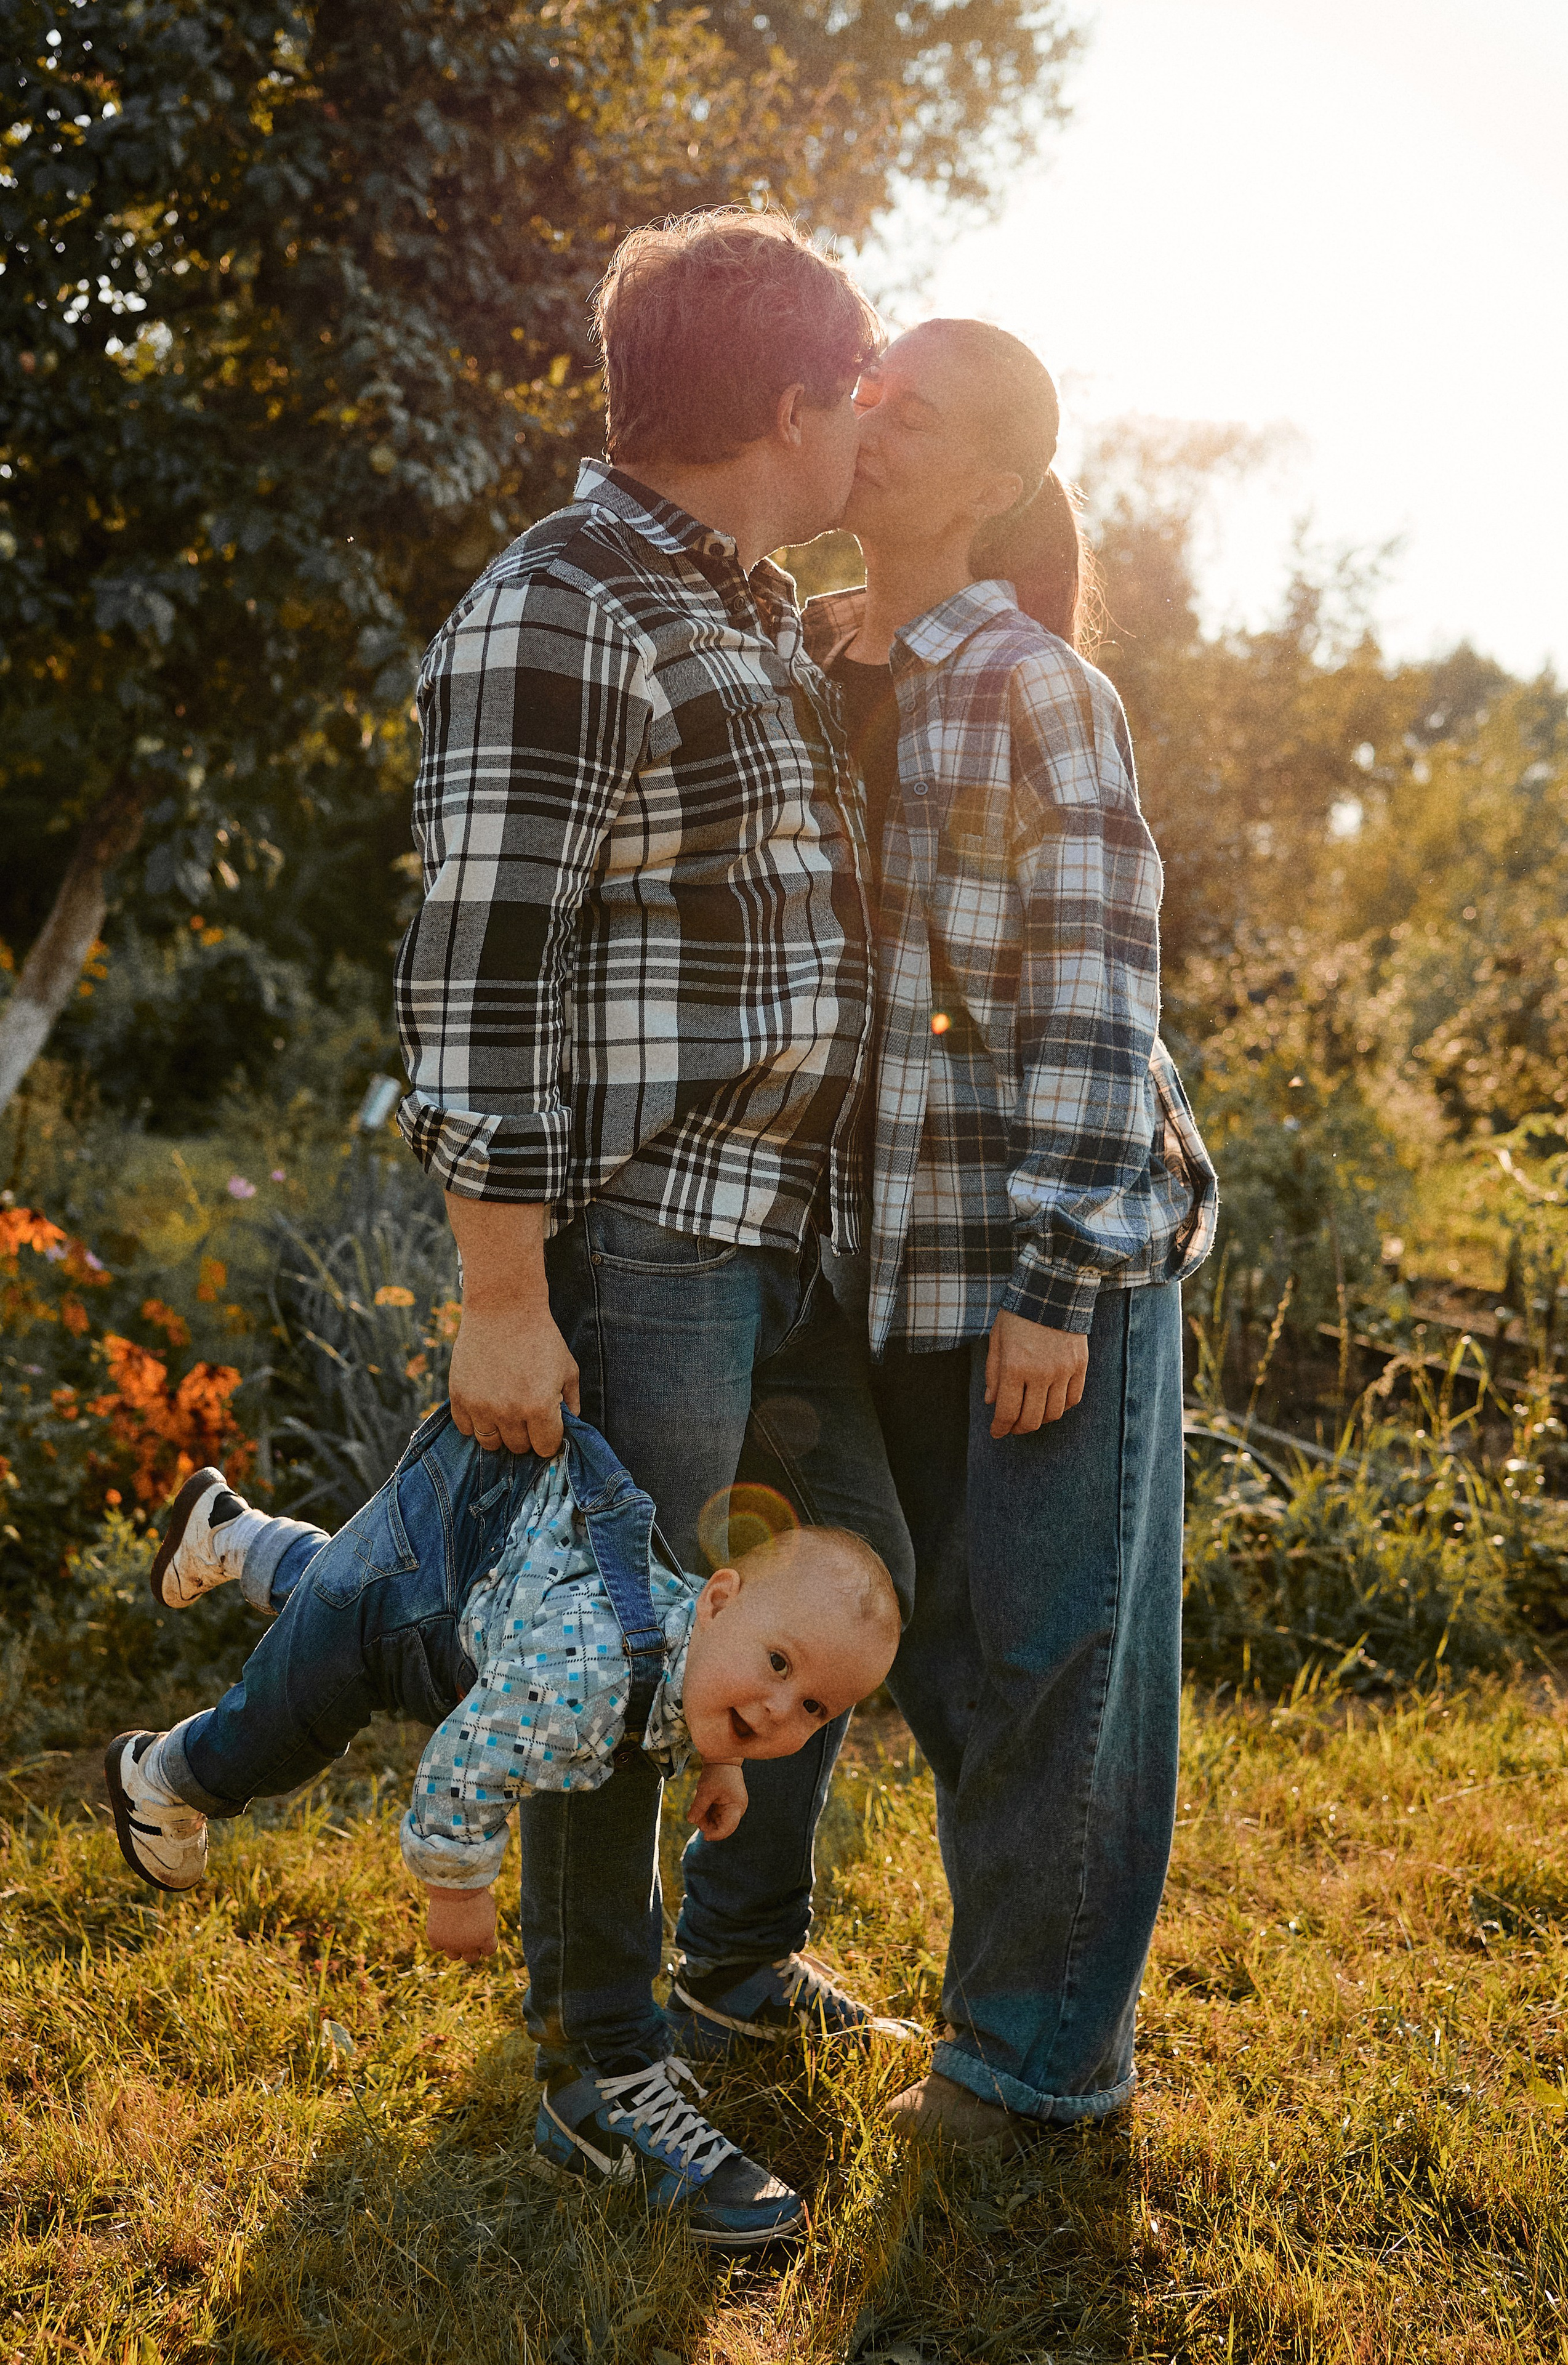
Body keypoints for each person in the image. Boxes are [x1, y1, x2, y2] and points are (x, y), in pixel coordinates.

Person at [391, 211, 918, 2109]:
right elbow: (474, 970)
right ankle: (603, 2060)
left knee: (855, 1579)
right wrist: (505, 1295)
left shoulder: (746, 607)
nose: (872, 434)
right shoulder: (566, 604)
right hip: (645, 1243)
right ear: (793, 404)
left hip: (784, 1232)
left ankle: (738, 1960)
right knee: (622, 1661)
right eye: (858, 398)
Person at [803, 318, 1219, 2151]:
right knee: (962, 1655)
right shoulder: (815, 658)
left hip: (1057, 1269)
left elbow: (1095, 1003)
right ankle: (1029, 2013)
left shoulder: (1039, 691)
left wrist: (1058, 1278)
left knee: (1059, 1658)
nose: (873, 424)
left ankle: (1042, 2065)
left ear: (990, 480)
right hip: (891, 1264)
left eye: (921, 417)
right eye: (868, 390)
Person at [107, 1424, 901, 2248]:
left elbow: (701, 1695)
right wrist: (457, 1885)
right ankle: (158, 1773)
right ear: (719, 1598)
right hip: (414, 1630)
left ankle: (229, 1531)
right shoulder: (586, 1679)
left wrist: (722, 1763)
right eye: (780, 1665)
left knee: (340, 1583)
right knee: (279, 1729)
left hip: (447, 1581)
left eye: (814, 1707)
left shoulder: (696, 1640)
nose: (780, 1710)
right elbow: (468, 1756)